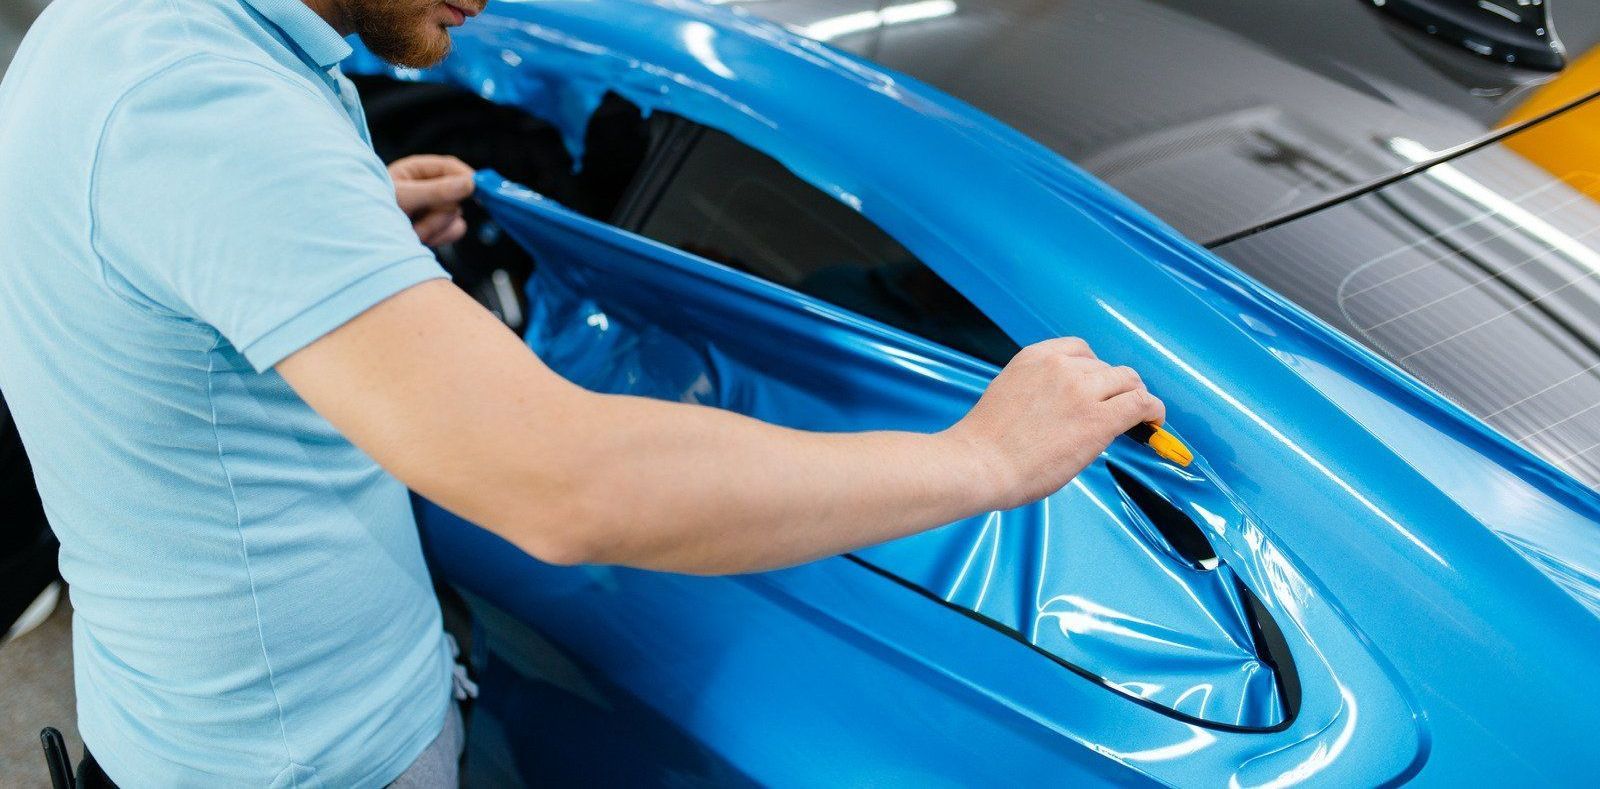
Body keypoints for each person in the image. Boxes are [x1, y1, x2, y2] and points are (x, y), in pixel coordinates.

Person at [0, 0, 1165, 785]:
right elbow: (566, 487)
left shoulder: (128, 36)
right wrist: (983, 459)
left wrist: (335, 236)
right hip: (302, 763)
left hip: (200, 719)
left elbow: (139, 245)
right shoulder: (204, 112)